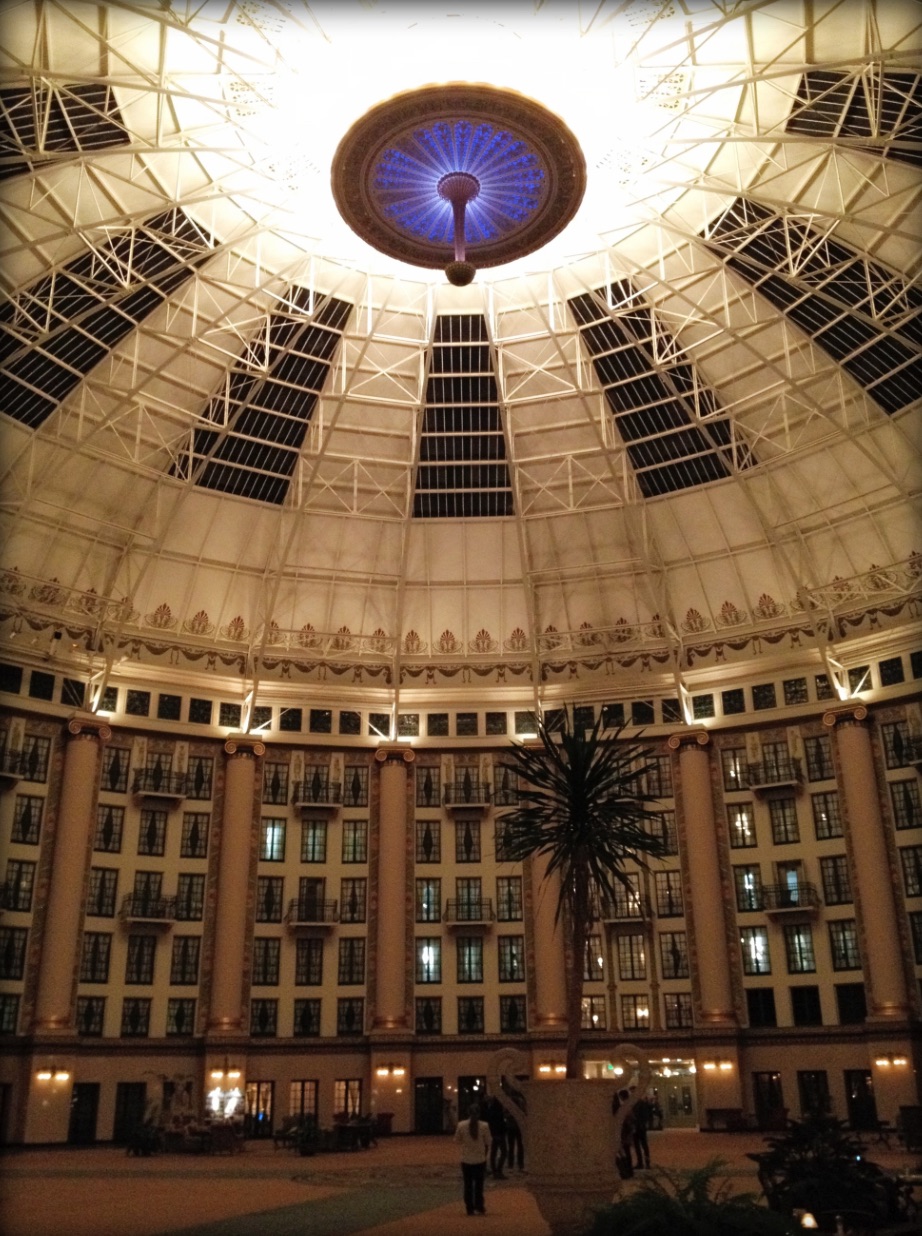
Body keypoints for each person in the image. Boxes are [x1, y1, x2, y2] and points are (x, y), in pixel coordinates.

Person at [455, 1102, 491, 1216]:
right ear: (479, 1113)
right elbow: (488, 1141)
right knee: (479, 1185)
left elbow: (457, 1140)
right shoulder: (484, 1126)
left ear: (468, 1113)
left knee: (468, 1184)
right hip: (480, 1159)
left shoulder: (461, 1125)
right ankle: (479, 1206)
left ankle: (469, 1208)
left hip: (466, 1159)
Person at [612, 1088, 634, 1179]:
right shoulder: (623, 1107)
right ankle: (628, 1171)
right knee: (624, 1152)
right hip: (624, 1132)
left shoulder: (619, 1108)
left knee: (622, 1152)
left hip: (622, 1133)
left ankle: (625, 1171)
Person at [485, 1093, 508, 1179]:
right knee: (503, 1152)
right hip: (499, 1133)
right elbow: (499, 1122)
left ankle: (495, 1171)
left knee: (493, 1152)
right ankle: (498, 1170)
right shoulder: (498, 1110)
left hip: (493, 1133)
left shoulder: (490, 1109)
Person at [631, 1089, 652, 1169]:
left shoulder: (638, 1104)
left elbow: (643, 1115)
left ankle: (643, 1163)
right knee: (642, 1145)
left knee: (641, 1145)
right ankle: (645, 1162)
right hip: (640, 1126)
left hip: (639, 1127)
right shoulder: (640, 1103)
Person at [505, 1104, 525, 1171]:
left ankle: (520, 1164)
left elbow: (524, 1113)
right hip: (511, 1127)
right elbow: (505, 1114)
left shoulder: (520, 1102)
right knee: (512, 1147)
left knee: (520, 1146)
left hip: (518, 1127)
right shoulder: (509, 1103)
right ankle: (511, 1165)